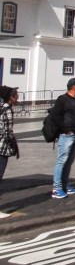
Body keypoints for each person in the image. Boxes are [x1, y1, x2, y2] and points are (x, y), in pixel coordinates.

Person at [50, 77, 75, 199]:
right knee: (62, 160)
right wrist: (66, 130)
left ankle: (65, 184)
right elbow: (55, 115)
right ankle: (57, 187)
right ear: (74, 86)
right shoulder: (62, 99)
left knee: (69, 161)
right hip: (67, 135)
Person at [0, 86, 19, 219]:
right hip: (2, 148)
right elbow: (8, 132)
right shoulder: (7, 110)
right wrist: (14, 147)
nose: (18, 96)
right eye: (16, 94)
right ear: (11, 97)